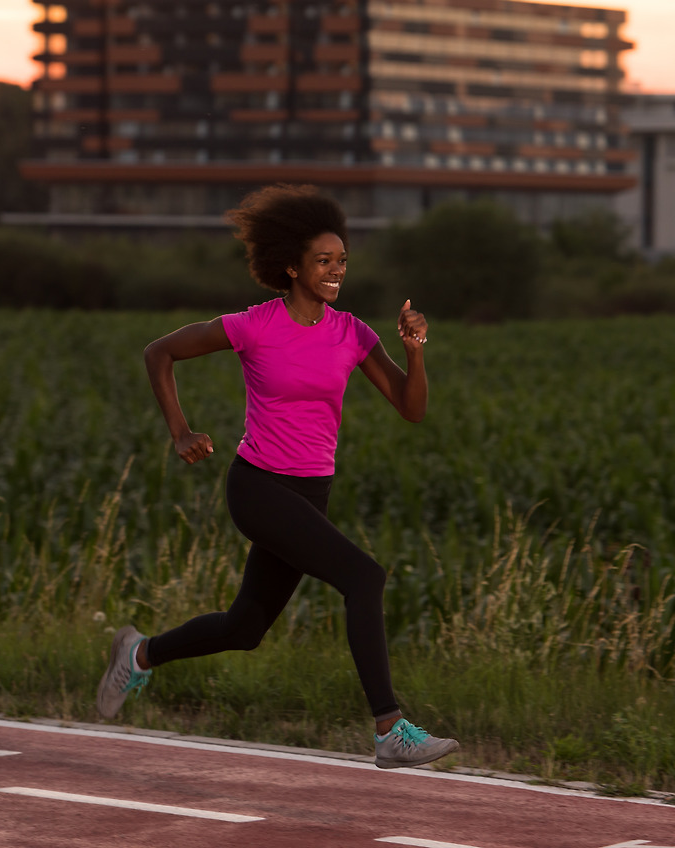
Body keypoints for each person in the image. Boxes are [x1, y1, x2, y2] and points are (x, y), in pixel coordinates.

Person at [96, 183, 459, 770]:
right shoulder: (254, 325)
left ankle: (138, 654)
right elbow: (158, 352)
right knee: (365, 578)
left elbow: (411, 408)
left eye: (342, 260)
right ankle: (390, 729)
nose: (337, 270)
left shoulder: (352, 333)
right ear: (291, 266)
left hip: (311, 492)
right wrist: (181, 431)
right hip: (259, 485)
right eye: (323, 260)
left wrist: (415, 351)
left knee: (246, 627)